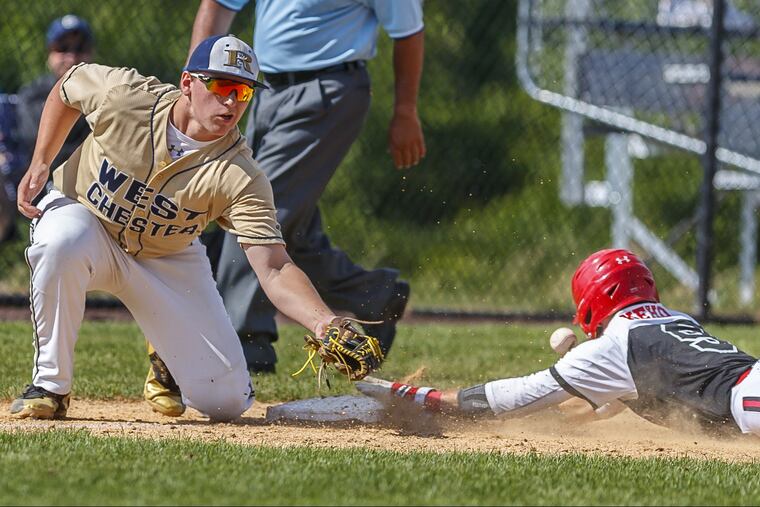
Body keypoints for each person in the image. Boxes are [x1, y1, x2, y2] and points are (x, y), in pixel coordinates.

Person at [10, 34, 358, 422]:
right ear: (188, 83)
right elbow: (68, 85)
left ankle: (164, 357)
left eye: (243, 93)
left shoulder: (241, 174)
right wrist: (42, 160)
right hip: (87, 220)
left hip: (167, 256)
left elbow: (273, 266)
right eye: (223, 86)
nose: (231, 102)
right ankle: (51, 386)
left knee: (226, 402)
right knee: (60, 242)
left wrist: (325, 322)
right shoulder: (127, 97)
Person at [142, 0, 426, 417]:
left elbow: (408, 33)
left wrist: (405, 110)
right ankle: (374, 296)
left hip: (328, 92)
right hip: (257, 90)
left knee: (251, 209)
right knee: (288, 228)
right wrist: (196, 90)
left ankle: (241, 341)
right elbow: (217, 7)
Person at [357, 249, 760, 438]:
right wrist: (557, 420)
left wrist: (426, 398)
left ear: (591, 302)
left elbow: (514, 395)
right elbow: (614, 401)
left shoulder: (611, 347)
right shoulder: (673, 319)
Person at [17, 14, 95, 184]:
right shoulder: (33, 94)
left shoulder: (104, 94)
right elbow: (33, 141)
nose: (72, 57)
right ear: (49, 53)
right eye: (63, 48)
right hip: (41, 184)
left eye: (80, 48)